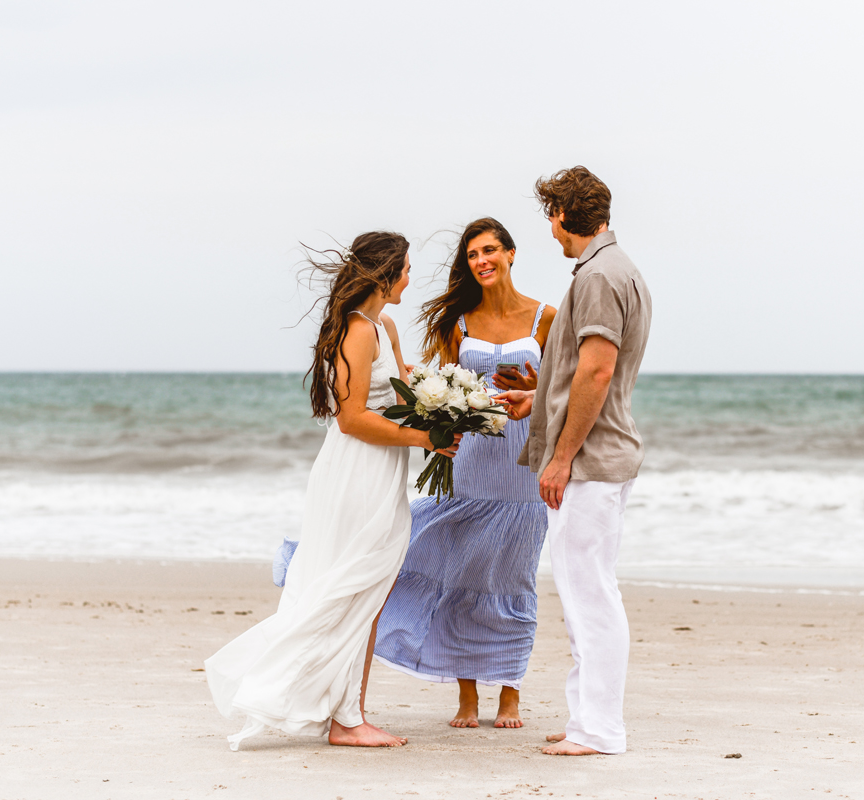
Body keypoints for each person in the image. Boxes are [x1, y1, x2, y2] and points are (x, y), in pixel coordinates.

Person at [205, 231, 460, 750]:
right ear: (386, 272)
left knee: (368, 587)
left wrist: (451, 408)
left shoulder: (382, 326)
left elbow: (404, 392)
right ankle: (345, 719)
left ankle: (345, 712)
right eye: (407, 268)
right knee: (355, 583)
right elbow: (351, 419)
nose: (411, 277)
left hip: (383, 470)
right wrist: (423, 436)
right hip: (356, 473)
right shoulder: (356, 331)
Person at [373, 217, 556, 729]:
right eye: (474, 254)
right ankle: (468, 696)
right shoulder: (460, 324)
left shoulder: (546, 318)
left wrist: (536, 387)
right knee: (463, 577)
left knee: (516, 577)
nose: (483, 261)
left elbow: (564, 389)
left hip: (522, 467)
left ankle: (511, 692)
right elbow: (442, 385)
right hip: (471, 463)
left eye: (491, 250)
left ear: (512, 253)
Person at [496, 167, 651, 756]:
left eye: (551, 217)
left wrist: (560, 457)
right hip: (599, 455)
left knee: (590, 595)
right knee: (585, 592)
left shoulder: (599, 276)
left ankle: (601, 729)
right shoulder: (613, 269)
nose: (552, 231)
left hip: (590, 463)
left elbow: (598, 370)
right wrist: (537, 402)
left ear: (561, 213)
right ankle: (587, 718)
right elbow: (584, 373)